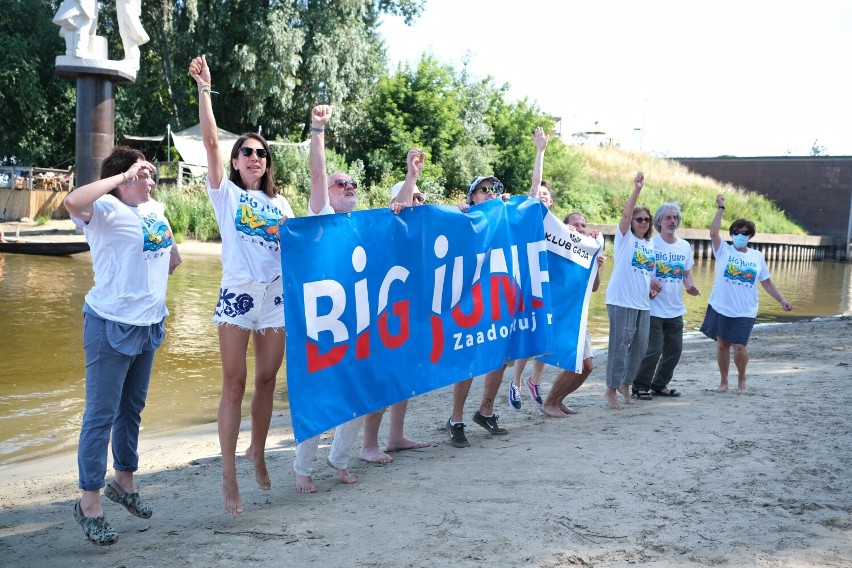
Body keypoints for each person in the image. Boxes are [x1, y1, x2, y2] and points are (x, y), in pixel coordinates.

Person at [189, 55, 295, 516]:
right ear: (235, 162)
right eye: (246, 152)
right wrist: (205, 90)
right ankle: (229, 469)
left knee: (268, 383)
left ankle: (258, 450)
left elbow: (303, 249)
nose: (254, 157)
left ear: (267, 163)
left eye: (260, 153)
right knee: (234, 385)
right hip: (238, 296)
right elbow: (210, 141)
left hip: (275, 300)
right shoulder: (226, 194)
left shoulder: (282, 203)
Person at [64, 146, 181, 546]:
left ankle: (124, 482)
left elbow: (172, 258)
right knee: (100, 414)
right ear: (125, 178)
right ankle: (89, 502)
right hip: (109, 324)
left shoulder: (154, 209)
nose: (151, 176)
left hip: (149, 324)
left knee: (131, 408)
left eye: (149, 171)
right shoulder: (106, 211)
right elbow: (71, 200)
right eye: (144, 172)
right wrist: (121, 177)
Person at [292, 104, 366, 492]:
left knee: (358, 393)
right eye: (342, 184)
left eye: (352, 183)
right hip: (320, 322)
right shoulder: (320, 215)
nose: (348, 186)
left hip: (355, 320)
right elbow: (318, 173)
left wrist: (409, 180)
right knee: (320, 395)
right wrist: (318, 130)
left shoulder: (361, 226)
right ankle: (303, 468)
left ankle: (339, 459)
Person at [359, 148, 431, 464]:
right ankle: (368, 445)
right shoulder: (391, 225)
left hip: (412, 309)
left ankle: (395, 436)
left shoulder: (422, 231)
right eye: (413, 198)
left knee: (405, 374)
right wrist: (411, 176)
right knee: (384, 375)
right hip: (387, 310)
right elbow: (395, 208)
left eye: (421, 199)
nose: (418, 203)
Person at [700, 194, 793, 393]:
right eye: (736, 231)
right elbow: (714, 233)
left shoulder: (756, 257)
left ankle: (742, 380)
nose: (739, 234)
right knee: (722, 345)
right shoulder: (723, 250)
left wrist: (781, 300)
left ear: (750, 235)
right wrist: (721, 207)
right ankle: (724, 382)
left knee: (739, 346)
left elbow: (767, 282)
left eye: (744, 232)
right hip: (722, 306)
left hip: (745, 310)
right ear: (732, 233)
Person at [446, 173, 512, 447]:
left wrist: (539, 153)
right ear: (472, 195)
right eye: (484, 189)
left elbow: (533, 201)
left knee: (500, 355)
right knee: (468, 358)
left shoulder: (503, 215)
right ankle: (455, 420)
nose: (490, 193)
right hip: (467, 299)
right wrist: (458, 212)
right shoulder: (463, 217)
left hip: (496, 294)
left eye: (494, 189)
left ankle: (486, 411)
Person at [603, 172, 661, 410]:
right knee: (619, 346)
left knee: (640, 347)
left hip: (642, 303)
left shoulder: (649, 244)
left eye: (646, 219)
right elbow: (626, 214)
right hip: (621, 301)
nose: (643, 222)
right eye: (639, 219)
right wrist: (636, 189)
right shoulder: (625, 238)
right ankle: (611, 389)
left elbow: (645, 272)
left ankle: (626, 383)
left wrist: (652, 286)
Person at [539, 211, 606, 417]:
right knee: (579, 364)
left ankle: (557, 400)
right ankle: (549, 402)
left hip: (578, 316)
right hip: (564, 314)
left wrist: (596, 266)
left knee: (586, 367)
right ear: (566, 228)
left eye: (583, 225)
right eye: (575, 225)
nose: (580, 228)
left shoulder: (587, 253)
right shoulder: (560, 251)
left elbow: (594, 288)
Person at [631, 203, 700, 399]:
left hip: (675, 309)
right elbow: (641, 271)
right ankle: (639, 385)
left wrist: (690, 286)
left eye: (675, 217)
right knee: (653, 349)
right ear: (659, 221)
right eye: (668, 217)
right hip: (653, 308)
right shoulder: (650, 244)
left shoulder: (684, 246)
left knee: (675, 350)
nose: (672, 221)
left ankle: (659, 384)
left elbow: (686, 273)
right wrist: (651, 283)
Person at [508, 128, 550, 410]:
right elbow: (534, 183)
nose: (542, 197)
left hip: (545, 283)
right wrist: (540, 151)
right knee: (526, 331)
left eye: (547, 195)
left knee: (544, 333)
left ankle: (533, 380)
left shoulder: (558, 226)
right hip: (523, 281)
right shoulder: (529, 214)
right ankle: (517, 382)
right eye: (540, 194)